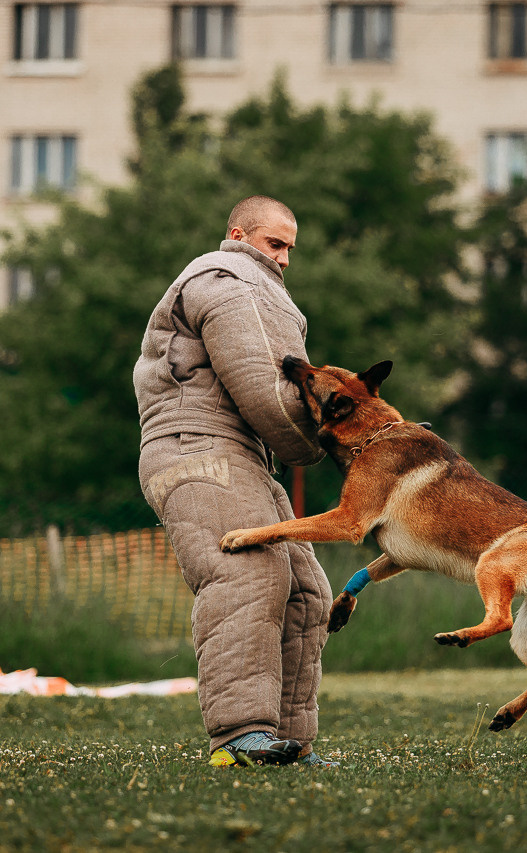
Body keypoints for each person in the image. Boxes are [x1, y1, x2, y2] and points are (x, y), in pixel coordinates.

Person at [134, 196, 337, 768]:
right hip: (197, 449)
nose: (286, 258)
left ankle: (288, 745)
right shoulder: (225, 279)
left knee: (305, 593)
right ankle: (239, 735)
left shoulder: (258, 286)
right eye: (277, 244)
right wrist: (334, 441)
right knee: (247, 575)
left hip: (240, 456)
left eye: (291, 247)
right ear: (239, 233)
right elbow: (265, 391)